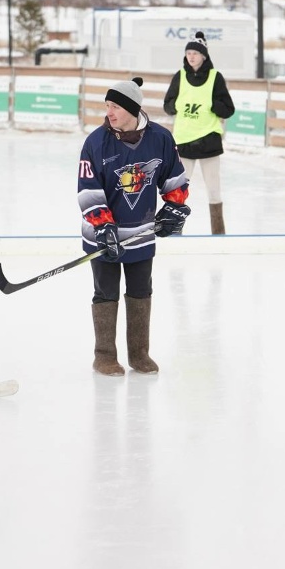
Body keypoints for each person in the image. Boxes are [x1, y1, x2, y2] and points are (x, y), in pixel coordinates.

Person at [79, 77, 191, 376]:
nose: (109, 112)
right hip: (103, 236)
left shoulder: (161, 139)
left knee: (141, 290)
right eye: (107, 106)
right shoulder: (95, 143)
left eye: (115, 106)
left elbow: (174, 181)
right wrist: (103, 227)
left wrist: (175, 207)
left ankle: (139, 354)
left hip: (141, 235)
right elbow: (89, 190)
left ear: (131, 108)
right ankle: (104, 356)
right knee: (106, 292)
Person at [162, 31, 235, 235]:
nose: (191, 56)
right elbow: (167, 105)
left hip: (208, 142)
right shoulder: (180, 76)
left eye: (195, 53)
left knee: (214, 191)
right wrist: (175, 106)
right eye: (188, 53)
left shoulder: (215, 78)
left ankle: (218, 233)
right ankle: (174, 231)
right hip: (184, 142)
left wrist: (212, 105)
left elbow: (228, 109)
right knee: (178, 191)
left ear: (204, 56)